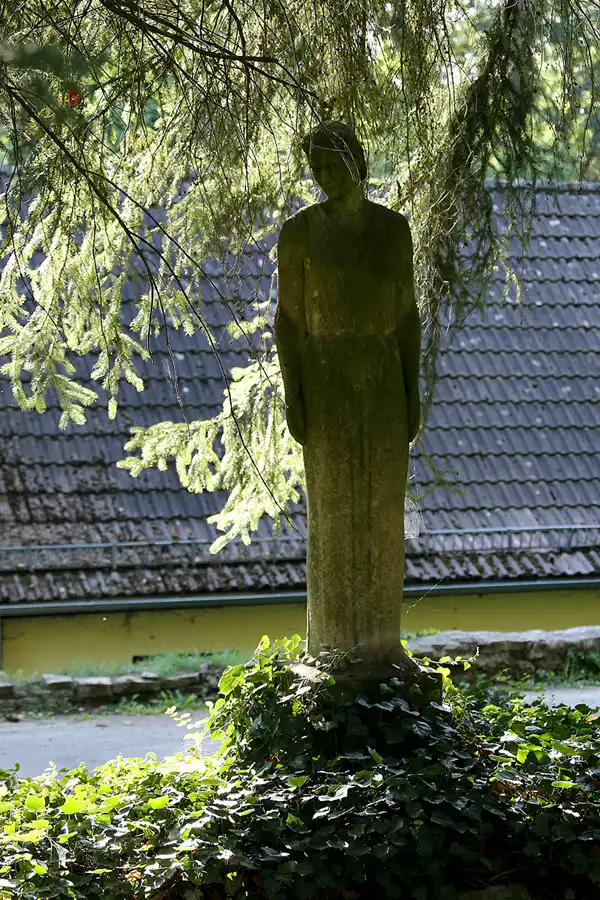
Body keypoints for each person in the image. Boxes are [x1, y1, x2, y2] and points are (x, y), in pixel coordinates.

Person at [275, 121, 422, 664]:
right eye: (317, 169)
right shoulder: (300, 233)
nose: (326, 177)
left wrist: (412, 389)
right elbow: (288, 322)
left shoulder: (393, 230)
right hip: (327, 378)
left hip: (382, 378)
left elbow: (407, 317)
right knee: (334, 515)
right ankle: (333, 645)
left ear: (357, 162)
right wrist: (295, 394)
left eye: (335, 165)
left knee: (382, 512)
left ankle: (384, 642)